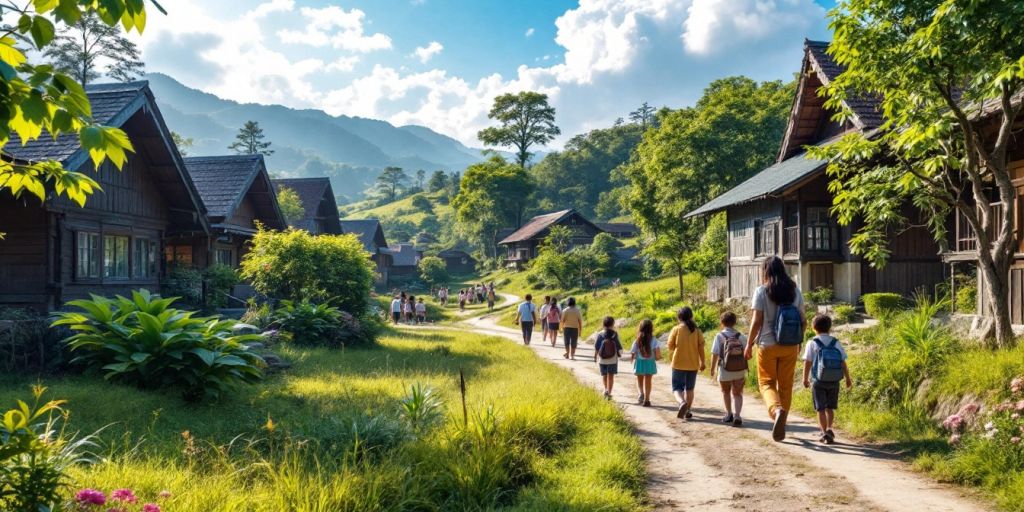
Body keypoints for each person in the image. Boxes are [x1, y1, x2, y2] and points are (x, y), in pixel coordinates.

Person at [744, 256, 806, 442]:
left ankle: (776, 410)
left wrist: (748, 344)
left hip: (767, 345)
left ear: (765, 271)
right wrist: (798, 342)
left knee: (767, 383)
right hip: (790, 346)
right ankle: (783, 420)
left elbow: (756, 321)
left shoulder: (762, 291)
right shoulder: (795, 291)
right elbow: (803, 321)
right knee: (785, 386)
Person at [802, 314, 852, 444]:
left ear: (814, 327)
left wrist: (805, 379)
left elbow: (808, 362)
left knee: (820, 408)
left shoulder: (812, 342)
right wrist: (847, 378)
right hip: (835, 380)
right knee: (830, 407)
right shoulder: (835, 342)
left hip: (818, 381)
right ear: (830, 327)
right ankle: (830, 428)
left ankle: (824, 433)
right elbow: (842, 362)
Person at [710, 311, 748, 427]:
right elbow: (747, 353)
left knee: (725, 392)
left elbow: (715, 353)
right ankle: (737, 415)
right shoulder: (741, 336)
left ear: (722, 322)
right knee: (738, 393)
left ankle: (728, 415)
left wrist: (712, 369)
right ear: (735, 322)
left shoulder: (719, 336)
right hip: (739, 370)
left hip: (724, 369)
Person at [667, 307, 705, 420]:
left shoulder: (676, 329)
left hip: (678, 363)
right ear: (691, 316)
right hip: (693, 364)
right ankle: (688, 410)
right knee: (690, 388)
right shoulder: (697, 331)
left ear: (679, 318)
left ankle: (682, 402)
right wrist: (702, 362)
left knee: (677, 388)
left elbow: (670, 345)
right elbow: (701, 348)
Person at [629, 319, 660, 407]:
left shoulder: (637, 339)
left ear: (640, 328)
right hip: (650, 362)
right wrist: (657, 358)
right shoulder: (654, 339)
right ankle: (647, 399)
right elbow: (657, 351)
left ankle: (641, 393)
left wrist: (632, 359)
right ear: (651, 329)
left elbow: (633, 351)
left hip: (640, 362)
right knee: (648, 381)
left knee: (639, 380)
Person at [594, 316, 623, 399]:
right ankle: (609, 392)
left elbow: (596, 346)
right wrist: (620, 353)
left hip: (602, 359)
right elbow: (618, 346)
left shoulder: (600, 334)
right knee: (611, 376)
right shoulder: (614, 334)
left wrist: (595, 356)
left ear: (603, 324)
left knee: (604, 375)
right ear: (613, 324)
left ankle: (605, 389)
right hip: (613, 359)